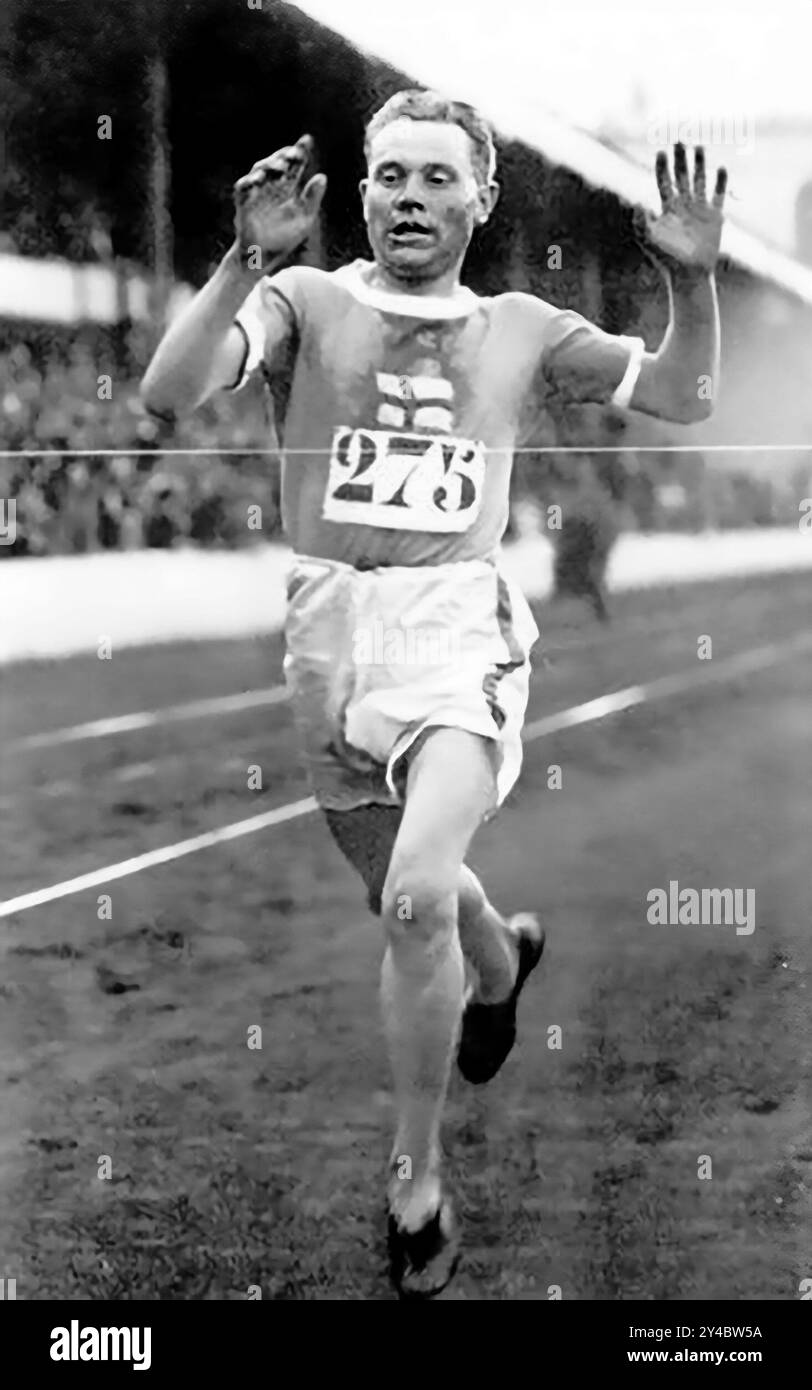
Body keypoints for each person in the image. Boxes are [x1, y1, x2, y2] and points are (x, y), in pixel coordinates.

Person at [141, 90, 725, 1299]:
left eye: (435, 177)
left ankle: (413, 1186)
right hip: (326, 638)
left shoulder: (519, 325)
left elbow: (681, 395)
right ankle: (501, 963)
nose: (409, 197)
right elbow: (167, 388)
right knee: (408, 893)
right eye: (389, 175)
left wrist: (694, 285)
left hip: (456, 628)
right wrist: (243, 256)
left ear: (480, 197)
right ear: (358, 194)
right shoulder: (306, 301)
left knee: (410, 900)